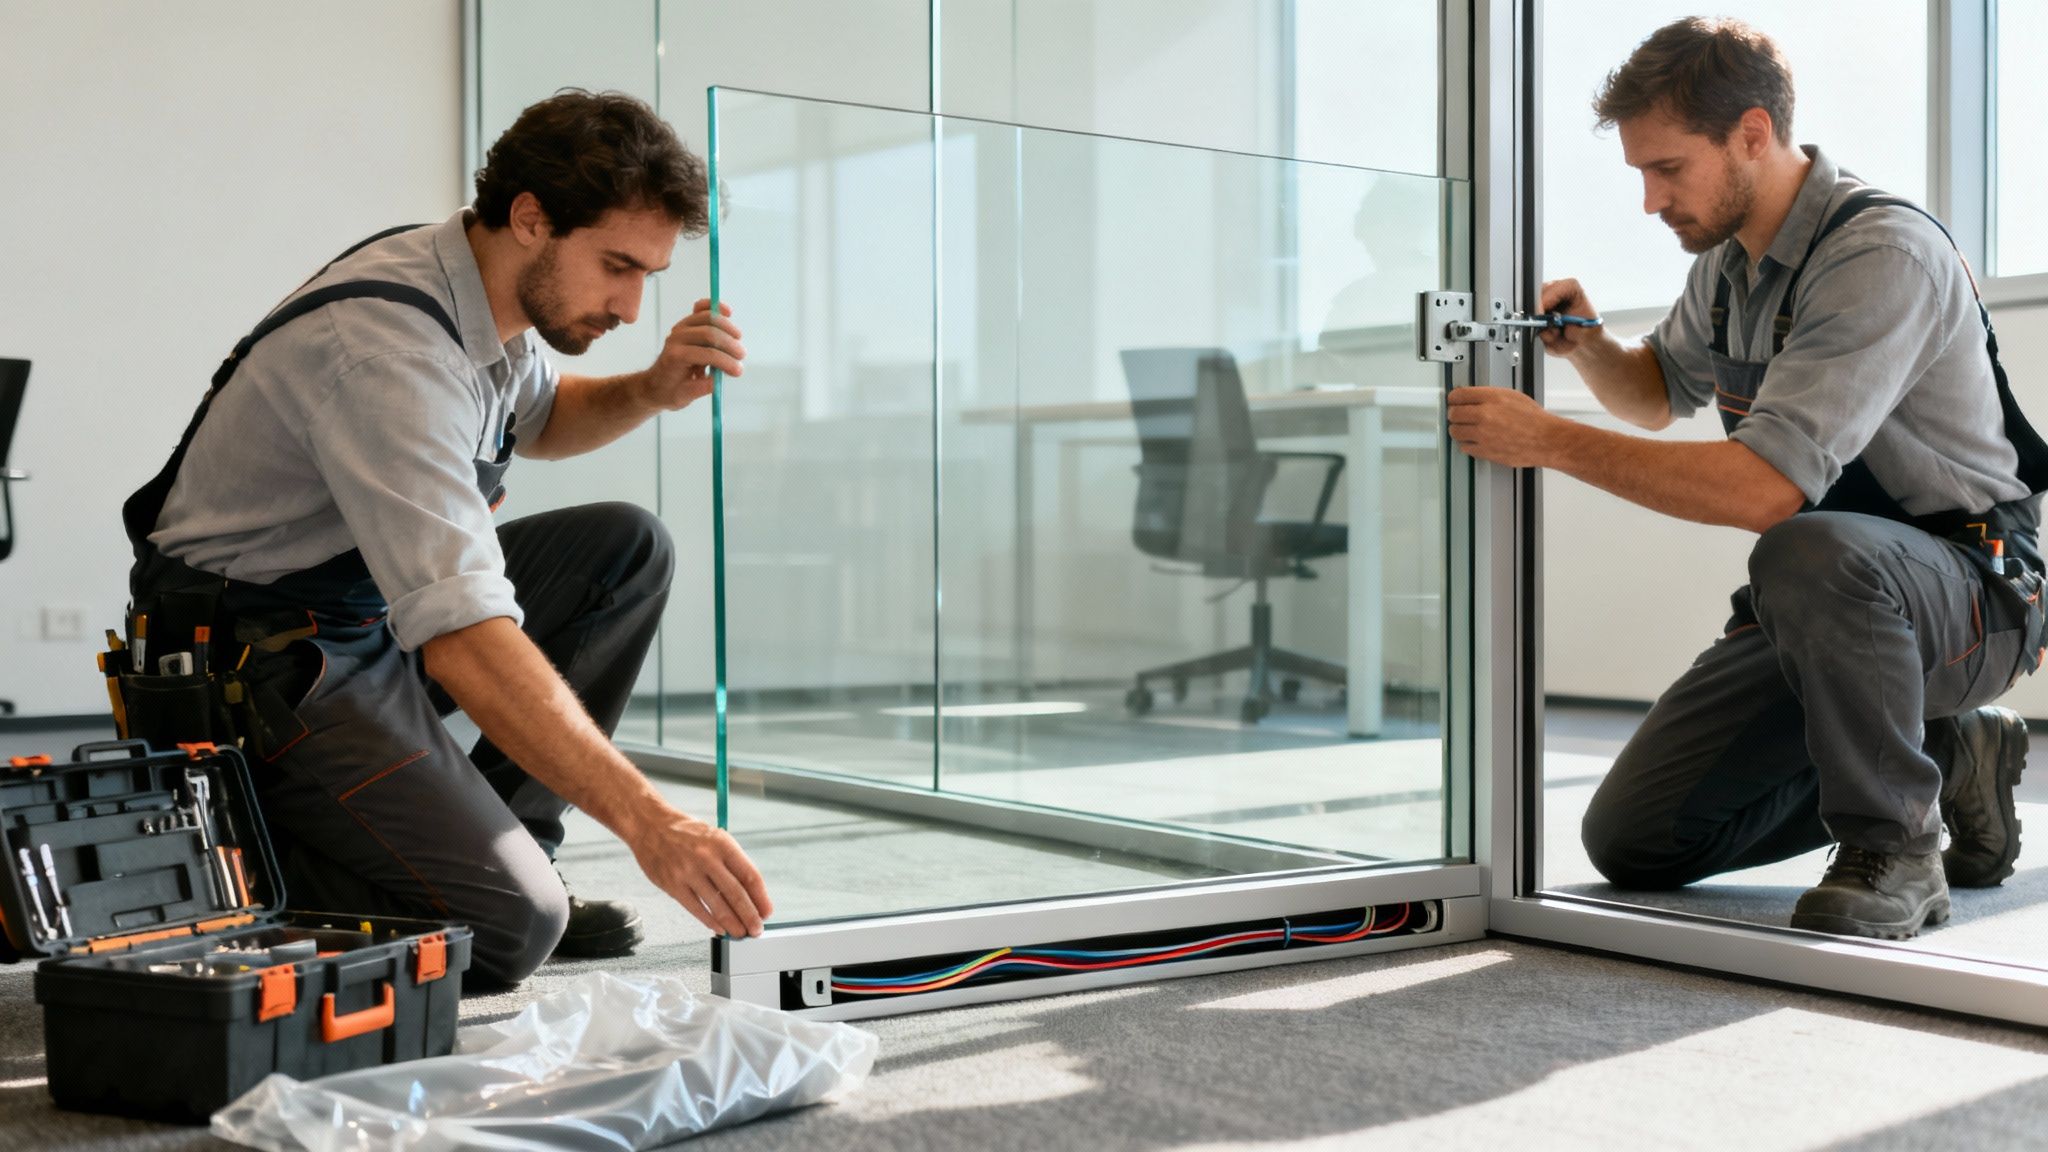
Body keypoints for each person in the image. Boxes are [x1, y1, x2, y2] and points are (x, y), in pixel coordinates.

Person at [122, 89, 772, 985]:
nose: (630, 306)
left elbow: (539, 423)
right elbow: (465, 638)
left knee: (624, 547)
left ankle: (511, 845)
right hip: (258, 657)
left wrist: (650, 390)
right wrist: (650, 821)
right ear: (532, 219)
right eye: (617, 266)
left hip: (362, 613)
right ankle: (188, 858)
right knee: (508, 929)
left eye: (648, 277)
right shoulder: (390, 353)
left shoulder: (488, 292)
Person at [1446, 18, 2047, 940]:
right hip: (1838, 599)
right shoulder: (1730, 264)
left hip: (1975, 590)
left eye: (1668, 168)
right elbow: (1658, 395)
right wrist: (1594, 347)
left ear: (1754, 134)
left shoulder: (1878, 252)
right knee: (1637, 839)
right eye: (1640, 173)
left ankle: (1898, 846)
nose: (1650, 200)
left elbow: (1764, 492)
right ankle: (1942, 747)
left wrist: (1552, 444)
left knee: (1804, 545)